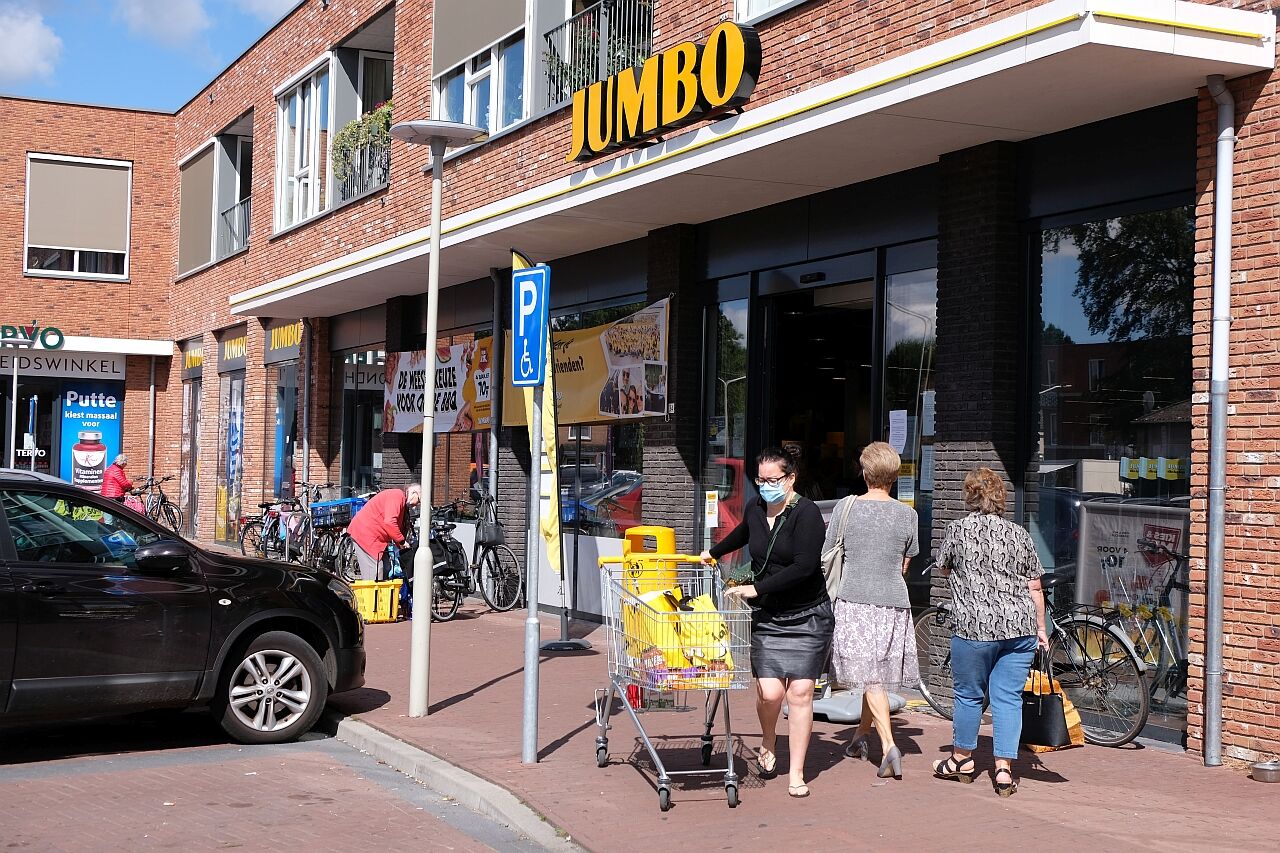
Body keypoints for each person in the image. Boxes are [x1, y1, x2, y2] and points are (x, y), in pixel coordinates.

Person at [701, 447, 832, 798]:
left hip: (807, 616)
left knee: (800, 693)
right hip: (770, 616)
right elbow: (744, 533)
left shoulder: (806, 514)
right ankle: (769, 738)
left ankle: (797, 773)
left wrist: (755, 589)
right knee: (770, 693)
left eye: (772, 480)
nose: (765, 486)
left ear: (791, 478)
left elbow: (804, 566)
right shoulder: (756, 508)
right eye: (760, 479)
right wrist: (713, 552)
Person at [931, 467, 1048, 797]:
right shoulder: (1019, 534)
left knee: (969, 695)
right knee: (1008, 698)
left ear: (969, 496)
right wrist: (1041, 629)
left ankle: (961, 760)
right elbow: (1035, 586)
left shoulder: (957, 530)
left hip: (974, 627)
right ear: (1001, 498)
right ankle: (1003, 770)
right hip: (1019, 627)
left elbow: (944, 567)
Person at [825, 442, 919, 780]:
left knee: (871, 677)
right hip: (894, 602)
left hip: (855, 600)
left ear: (865, 473)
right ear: (894, 476)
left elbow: (828, 552)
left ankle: (889, 745)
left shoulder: (846, 507)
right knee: (873, 675)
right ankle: (859, 737)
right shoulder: (908, 515)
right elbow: (905, 564)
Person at [347, 484, 421, 581]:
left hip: (376, 536)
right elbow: (390, 522)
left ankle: (383, 589)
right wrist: (401, 541)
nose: (416, 505)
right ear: (414, 493)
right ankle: (374, 590)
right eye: (419, 500)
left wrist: (400, 543)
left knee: (386, 568)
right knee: (376, 570)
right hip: (366, 534)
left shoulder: (400, 499)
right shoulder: (397, 496)